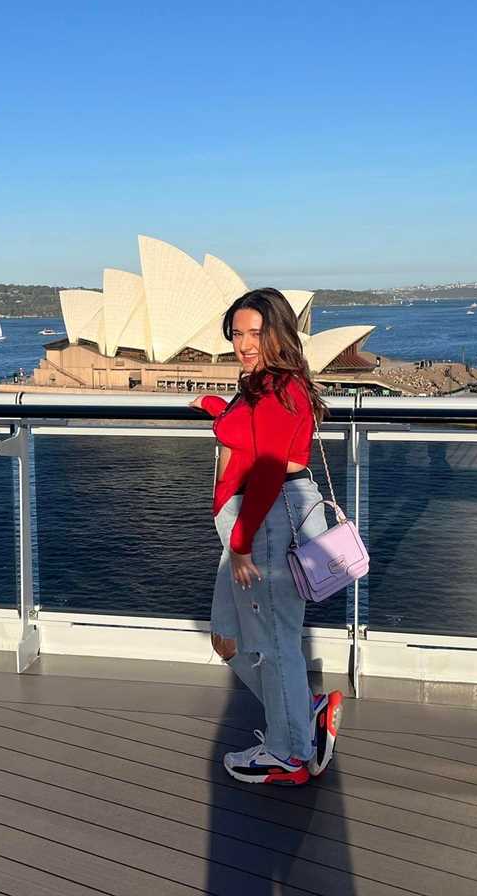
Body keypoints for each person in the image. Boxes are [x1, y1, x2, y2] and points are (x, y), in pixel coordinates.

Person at [191, 288, 343, 786]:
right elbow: (249, 434)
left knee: (275, 645)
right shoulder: (257, 386)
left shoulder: (280, 388)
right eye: (237, 333)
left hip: (264, 524)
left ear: (278, 332)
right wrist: (217, 406)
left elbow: (271, 469)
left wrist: (239, 544)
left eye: (255, 332)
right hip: (246, 527)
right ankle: (304, 715)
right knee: (227, 640)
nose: (244, 342)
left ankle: (289, 753)